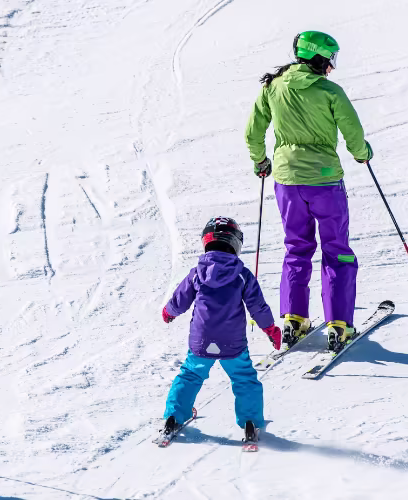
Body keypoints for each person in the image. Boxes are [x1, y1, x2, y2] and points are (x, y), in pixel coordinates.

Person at [244, 31, 373, 352]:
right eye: (330, 60)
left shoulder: (272, 87)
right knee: (337, 250)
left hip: (287, 181)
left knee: (297, 248)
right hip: (325, 180)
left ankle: (293, 319)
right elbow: (352, 129)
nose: (332, 67)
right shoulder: (330, 91)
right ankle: (339, 324)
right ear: (318, 58)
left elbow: (253, 131)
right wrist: (362, 152)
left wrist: (261, 160)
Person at [161, 217, 282, 444]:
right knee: (244, 378)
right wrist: (270, 328)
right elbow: (258, 306)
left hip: (201, 341)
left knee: (190, 375)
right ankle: (250, 422)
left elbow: (179, 300)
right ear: (236, 243)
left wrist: (169, 312)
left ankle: (173, 417)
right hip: (232, 343)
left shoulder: (197, 272)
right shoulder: (242, 275)